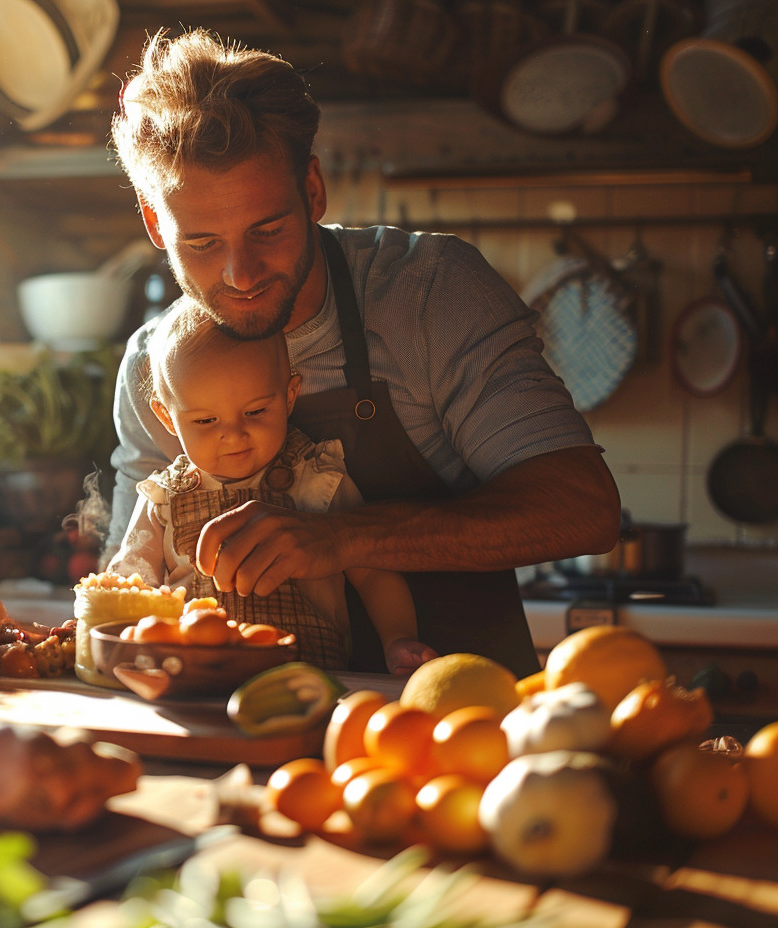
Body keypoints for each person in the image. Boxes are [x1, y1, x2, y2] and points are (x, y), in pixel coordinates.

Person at [105, 28, 621, 678]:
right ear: (156, 225)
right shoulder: (155, 362)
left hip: (460, 728)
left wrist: (347, 536)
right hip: (249, 736)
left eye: (268, 229)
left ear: (313, 191)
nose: (240, 274)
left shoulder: (431, 294)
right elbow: (127, 588)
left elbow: (584, 509)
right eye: (202, 242)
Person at [107, 299, 437, 674]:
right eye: (205, 420)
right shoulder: (162, 498)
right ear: (167, 417)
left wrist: (397, 639)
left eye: (255, 412)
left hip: (309, 678)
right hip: (192, 678)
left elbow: (374, 571)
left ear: (289, 396)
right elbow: (132, 580)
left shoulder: (317, 477)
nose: (233, 434)